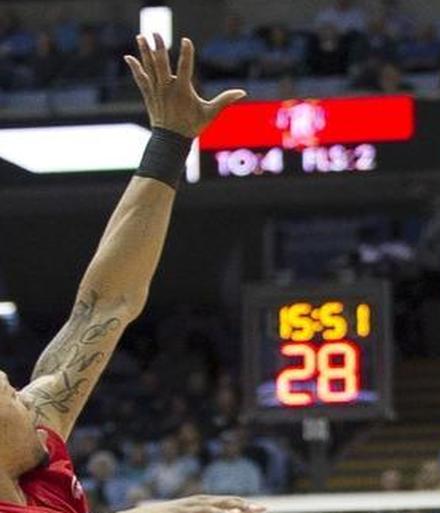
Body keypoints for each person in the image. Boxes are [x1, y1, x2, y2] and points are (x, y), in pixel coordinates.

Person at [0, 34, 254, 513]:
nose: (27, 397)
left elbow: (105, 304)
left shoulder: (37, 445)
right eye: (11, 396)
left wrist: (170, 142)